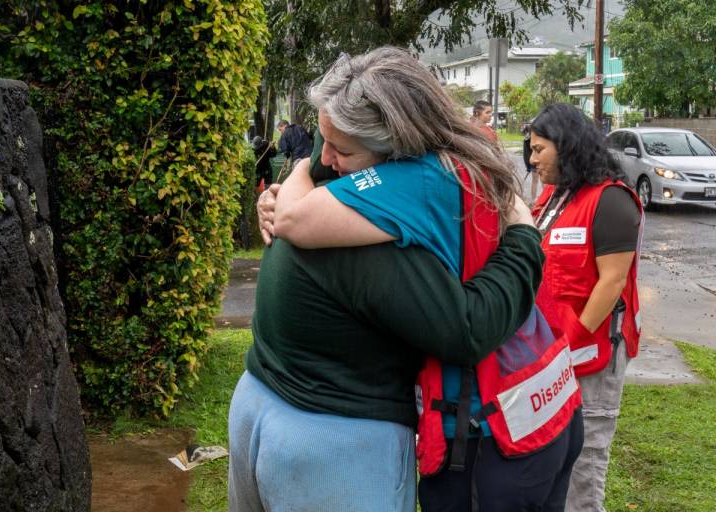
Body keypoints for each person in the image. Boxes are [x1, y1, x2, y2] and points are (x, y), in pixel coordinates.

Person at [262, 47, 583, 512]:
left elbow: (293, 217)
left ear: (395, 145)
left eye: (342, 150)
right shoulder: (453, 159)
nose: (325, 161)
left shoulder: (414, 181)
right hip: (537, 405)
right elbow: (323, 159)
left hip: (491, 434)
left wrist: (525, 236)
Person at [528, 103, 643, 512]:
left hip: (592, 353)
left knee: (585, 464)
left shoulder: (611, 201)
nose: (532, 158)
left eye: (540, 149)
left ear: (567, 146)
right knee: (553, 455)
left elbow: (612, 281)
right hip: (552, 353)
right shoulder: (556, 197)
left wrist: (571, 341)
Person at [522, 121, 540, 203]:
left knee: (537, 180)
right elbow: (527, 154)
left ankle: (537, 198)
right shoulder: (529, 140)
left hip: (534, 162)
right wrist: (529, 166)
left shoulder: (529, 138)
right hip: (534, 162)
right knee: (536, 180)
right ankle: (533, 199)